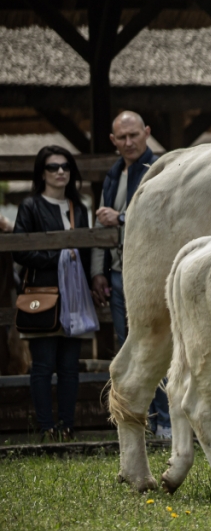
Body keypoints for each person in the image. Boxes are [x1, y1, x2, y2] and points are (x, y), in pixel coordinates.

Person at [89, 111, 170, 437]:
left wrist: (121, 219)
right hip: (119, 274)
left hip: (150, 274)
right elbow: (99, 226)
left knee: (157, 346)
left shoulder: (160, 171)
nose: (129, 142)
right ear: (113, 141)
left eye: (134, 135)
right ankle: (142, 420)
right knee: (129, 348)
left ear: (147, 132)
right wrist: (98, 271)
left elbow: (164, 218)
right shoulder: (112, 175)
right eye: (122, 137)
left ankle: (165, 422)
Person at [14, 146, 93, 441]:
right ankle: (46, 427)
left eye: (65, 166)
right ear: (42, 172)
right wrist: (57, 257)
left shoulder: (79, 207)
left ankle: (67, 426)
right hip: (43, 297)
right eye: (52, 167)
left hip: (75, 299)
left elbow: (87, 252)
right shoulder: (30, 206)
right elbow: (21, 252)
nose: (60, 171)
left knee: (70, 367)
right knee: (44, 366)